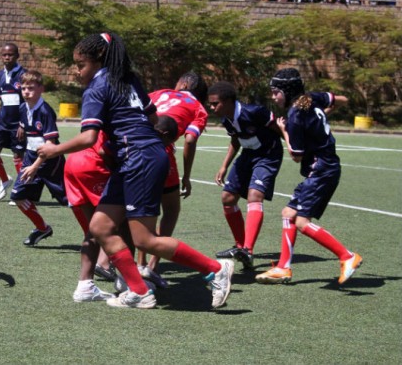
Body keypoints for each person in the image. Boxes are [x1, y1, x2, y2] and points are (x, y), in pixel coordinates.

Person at [37, 32, 234, 310]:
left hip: (137, 158)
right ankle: (140, 291)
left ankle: (215, 270)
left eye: (80, 65)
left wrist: (54, 150)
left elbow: (89, 138)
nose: (77, 71)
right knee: (101, 227)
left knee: (145, 239)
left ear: (98, 61)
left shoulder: (96, 88)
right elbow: (154, 119)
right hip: (140, 156)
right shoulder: (129, 79)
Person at [256, 68, 362, 285]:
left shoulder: (294, 115)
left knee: (302, 222)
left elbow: (296, 155)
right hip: (325, 166)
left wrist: (282, 129)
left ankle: (347, 256)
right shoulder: (311, 98)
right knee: (288, 213)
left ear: (287, 90)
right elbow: (338, 99)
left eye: (276, 92)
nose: (273, 96)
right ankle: (283, 268)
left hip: (322, 170)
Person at [136, 71, 209, 288]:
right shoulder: (198, 109)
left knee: (142, 210)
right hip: (159, 155)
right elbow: (190, 139)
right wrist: (186, 176)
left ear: (183, 83)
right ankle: (153, 265)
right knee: (170, 209)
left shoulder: (160, 93)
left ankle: (137, 264)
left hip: (132, 147)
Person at [207, 81, 283, 270]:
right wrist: (224, 165)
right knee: (228, 198)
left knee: (254, 196)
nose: (211, 107)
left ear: (228, 101)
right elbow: (235, 139)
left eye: (215, 103)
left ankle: (248, 249)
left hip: (267, 156)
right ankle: (240, 247)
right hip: (248, 155)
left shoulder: (254, 112)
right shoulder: (227, 119)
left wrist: (294, 145)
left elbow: (279, 127)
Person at [9, 70, 67, 246]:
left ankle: (95, 235)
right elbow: (26, 123)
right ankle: (42, 228)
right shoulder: (22, 107)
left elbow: (50, 145)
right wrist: (21, 127)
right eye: (24, 88)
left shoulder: (45, 111)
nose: (26, 92)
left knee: (72, 201)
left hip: (50, 163)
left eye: (31, 88)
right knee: (17, 196)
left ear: (41, 89)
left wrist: (35, 167)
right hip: (31, 158)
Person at [66, 129, 118, 301]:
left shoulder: (100, 111)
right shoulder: (122, 113)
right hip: (93, 165)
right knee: (115, 220)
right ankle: (126, 279)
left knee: (94, 227)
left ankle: (85, 285)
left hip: (74, 162)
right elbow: (104, 150)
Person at [0, 43, 27, 201]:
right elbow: (2, 100)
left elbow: (27, 102)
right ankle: (5, 180)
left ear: (17, 56)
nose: (7, 57)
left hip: (18, 124)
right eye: (4, 54)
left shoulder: (23, 75)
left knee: (18, 156)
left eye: (10, 54)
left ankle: (21, 191)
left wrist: (23, 124)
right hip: (2, 123)